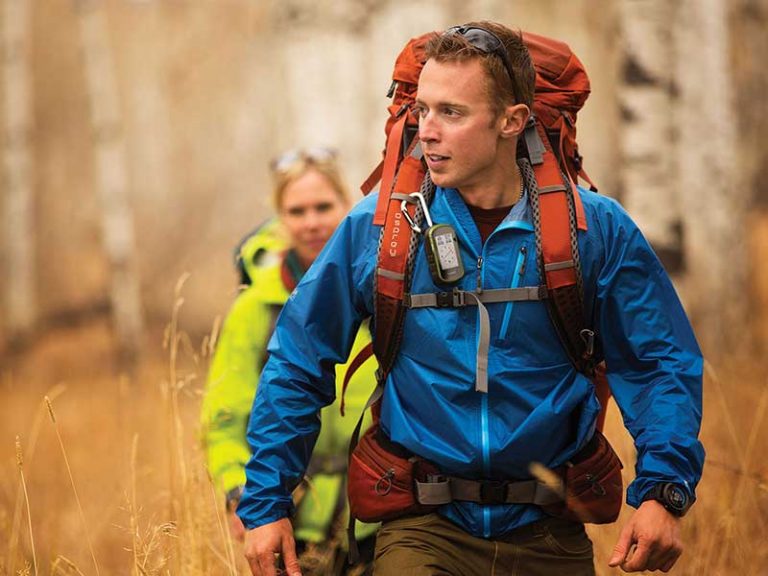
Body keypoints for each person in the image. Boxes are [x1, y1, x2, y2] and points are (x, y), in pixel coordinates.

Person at [238, 21, 704, 576]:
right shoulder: (381, 229)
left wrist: (663, 491)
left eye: (451, 113)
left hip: (550, 531)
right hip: (422, 530)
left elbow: (658, 364)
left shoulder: (591, 230)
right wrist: (266, 503)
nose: (427, 131)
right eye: (422, 110)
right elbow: (296, 361)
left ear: (513, 121)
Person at [200, 147, 378, 574]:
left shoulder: (379, 286)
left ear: (347, 206)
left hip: (379, 518)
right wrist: (240, 492)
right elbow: (224, 417)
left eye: (323, 206)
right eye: (297, 211)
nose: (312, 222)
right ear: (280, 218)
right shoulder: (254, 308)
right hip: (289, 518)